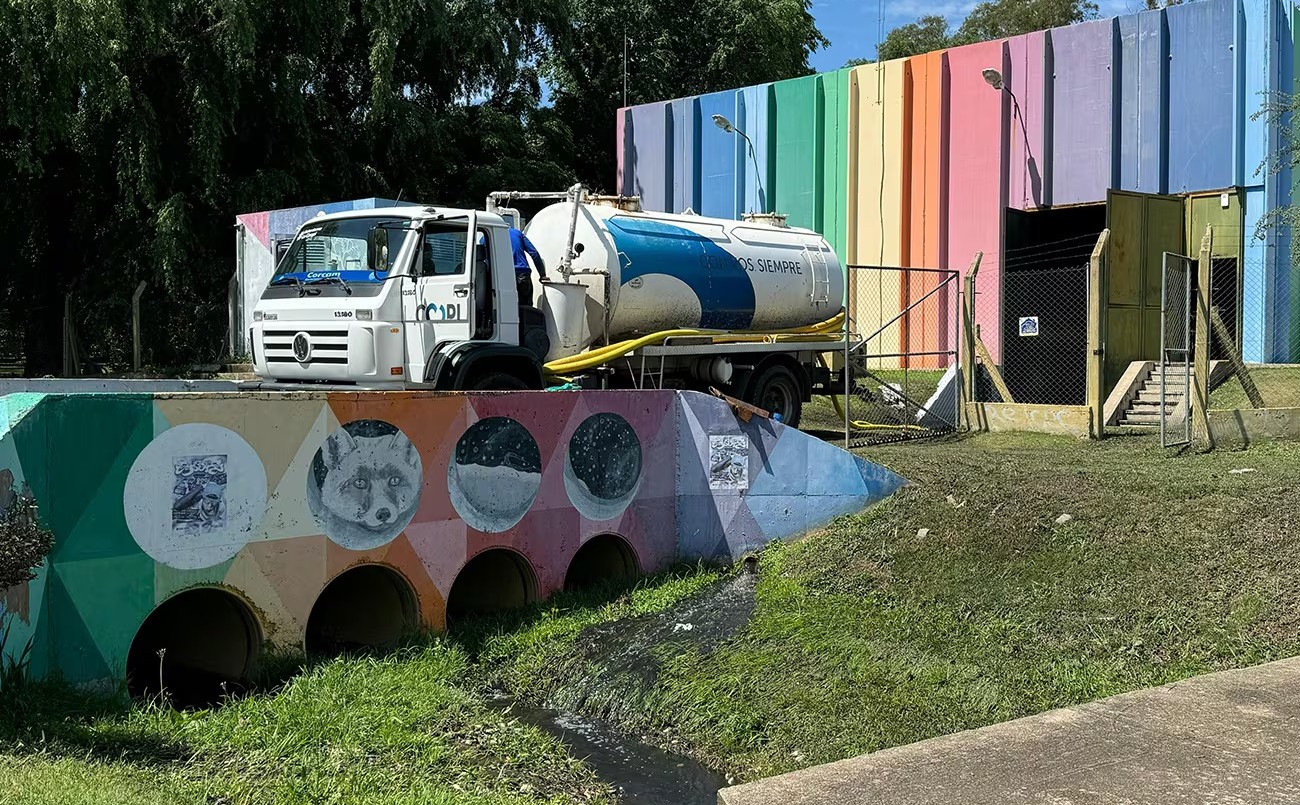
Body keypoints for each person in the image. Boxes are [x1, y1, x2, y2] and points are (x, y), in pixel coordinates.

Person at [509, 226, 547, 305]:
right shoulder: (517, 233)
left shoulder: (489, 234)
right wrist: (542, 275)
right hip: (522, 273)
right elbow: (534, 253)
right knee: (526, 308)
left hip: (503, 275)